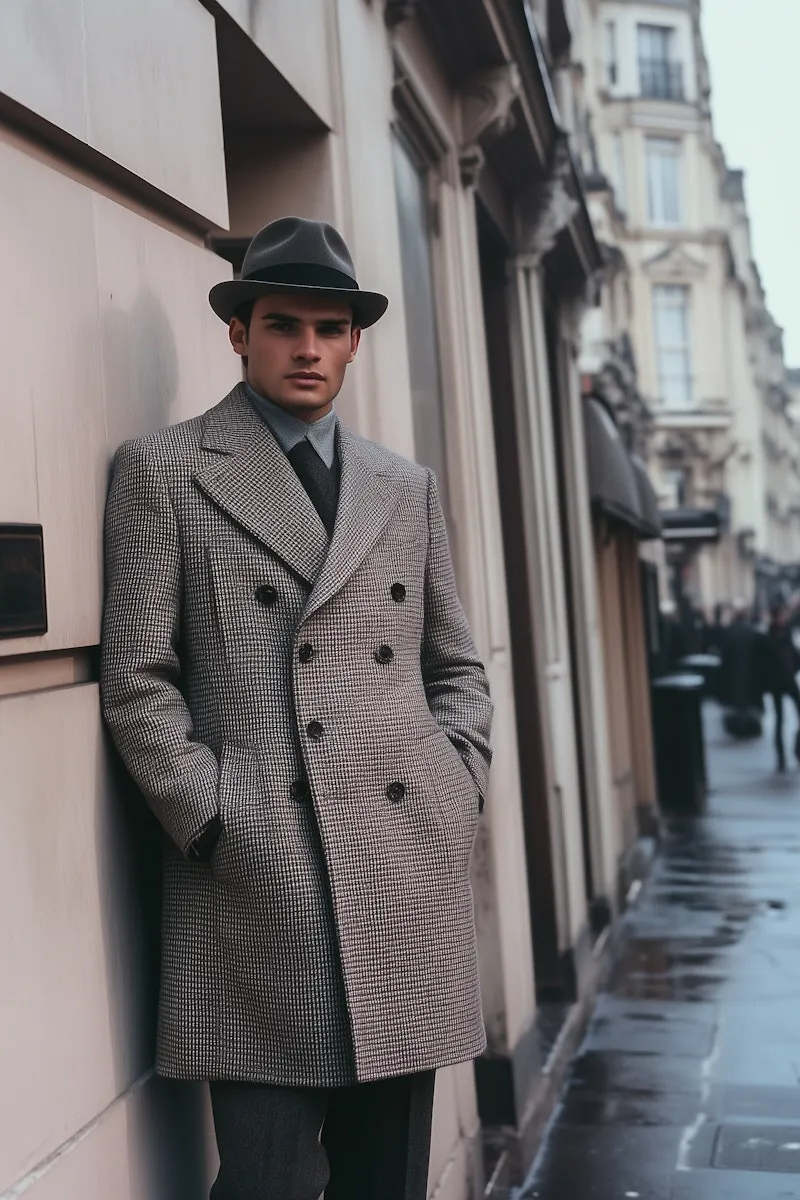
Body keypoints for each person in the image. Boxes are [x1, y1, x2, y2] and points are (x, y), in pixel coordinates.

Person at [100, 216, 493, 1200]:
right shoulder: (166, 472)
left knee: (386, 1183)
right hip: (257, 886)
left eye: (328, 329)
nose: (307, 348)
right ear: (239, 332)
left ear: (355, 341)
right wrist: (217, 816)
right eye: (283, 324)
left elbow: (455, 664)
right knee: (265, 1182)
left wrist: (456, 782)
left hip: (402, 876)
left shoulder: (404, 487)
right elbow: (137, 680)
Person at [757, 600, 800, 772]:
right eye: (781, 615)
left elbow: (793, 654)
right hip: (776, 683)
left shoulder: (786, 633)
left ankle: (797, 749)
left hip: (788, 680)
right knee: (779, 720)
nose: (784, 618)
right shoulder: (768, 638)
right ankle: (781, 757)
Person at [718, 601, 763, 739]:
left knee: (738, 704)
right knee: (748, 703)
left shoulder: (730, 633)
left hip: (734, 675)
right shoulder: (752, 633)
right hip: (749, 674)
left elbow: (724, 657)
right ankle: (747, 727)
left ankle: (740, 727)